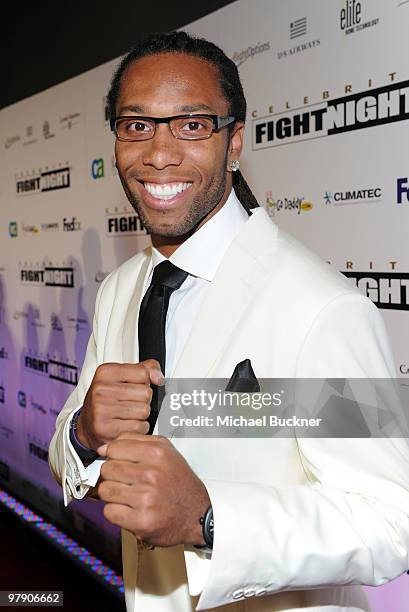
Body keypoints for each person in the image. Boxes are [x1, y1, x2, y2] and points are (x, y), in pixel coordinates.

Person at [48, 31, 409, 612]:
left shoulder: (319, 307)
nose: (158, 154)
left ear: (234, 140)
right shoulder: (119, 289)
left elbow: (392, 519)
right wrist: (86, 434)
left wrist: (210, 517)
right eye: (137, 125)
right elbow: (71, 446)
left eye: (191, 125)